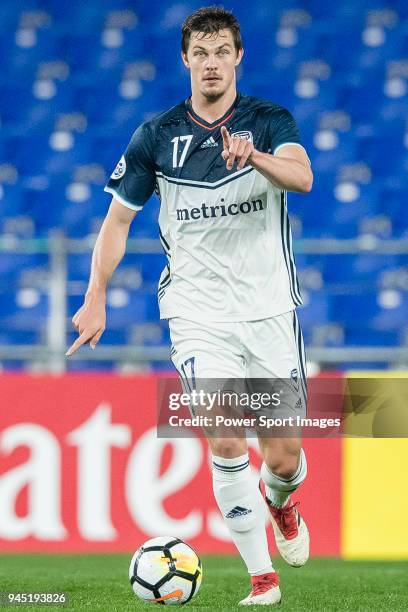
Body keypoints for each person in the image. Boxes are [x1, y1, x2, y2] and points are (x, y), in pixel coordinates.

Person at [66, 6, 313, 606]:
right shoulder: (155, 136)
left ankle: (281, 502)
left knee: (282, 455)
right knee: (225, 438)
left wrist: (253, 156)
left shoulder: (268, 120)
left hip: (269, 308)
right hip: (197, 311)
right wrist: (95, 293)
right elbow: (117, 221)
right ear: (186, 59)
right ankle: (262, 580)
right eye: (200, 52)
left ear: (238, 56)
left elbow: (302, 178)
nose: (210, 62)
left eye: (221, 51)